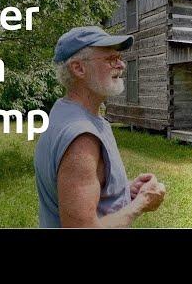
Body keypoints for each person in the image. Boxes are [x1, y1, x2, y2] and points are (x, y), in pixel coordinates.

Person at [34, 26, 166, 227]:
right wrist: (141, 203)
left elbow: (83, 192)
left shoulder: (63, 112)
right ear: (78, 68)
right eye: (110, 59)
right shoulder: (81, 137)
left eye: (119, 57)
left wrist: (123, 190)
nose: (121, 65)